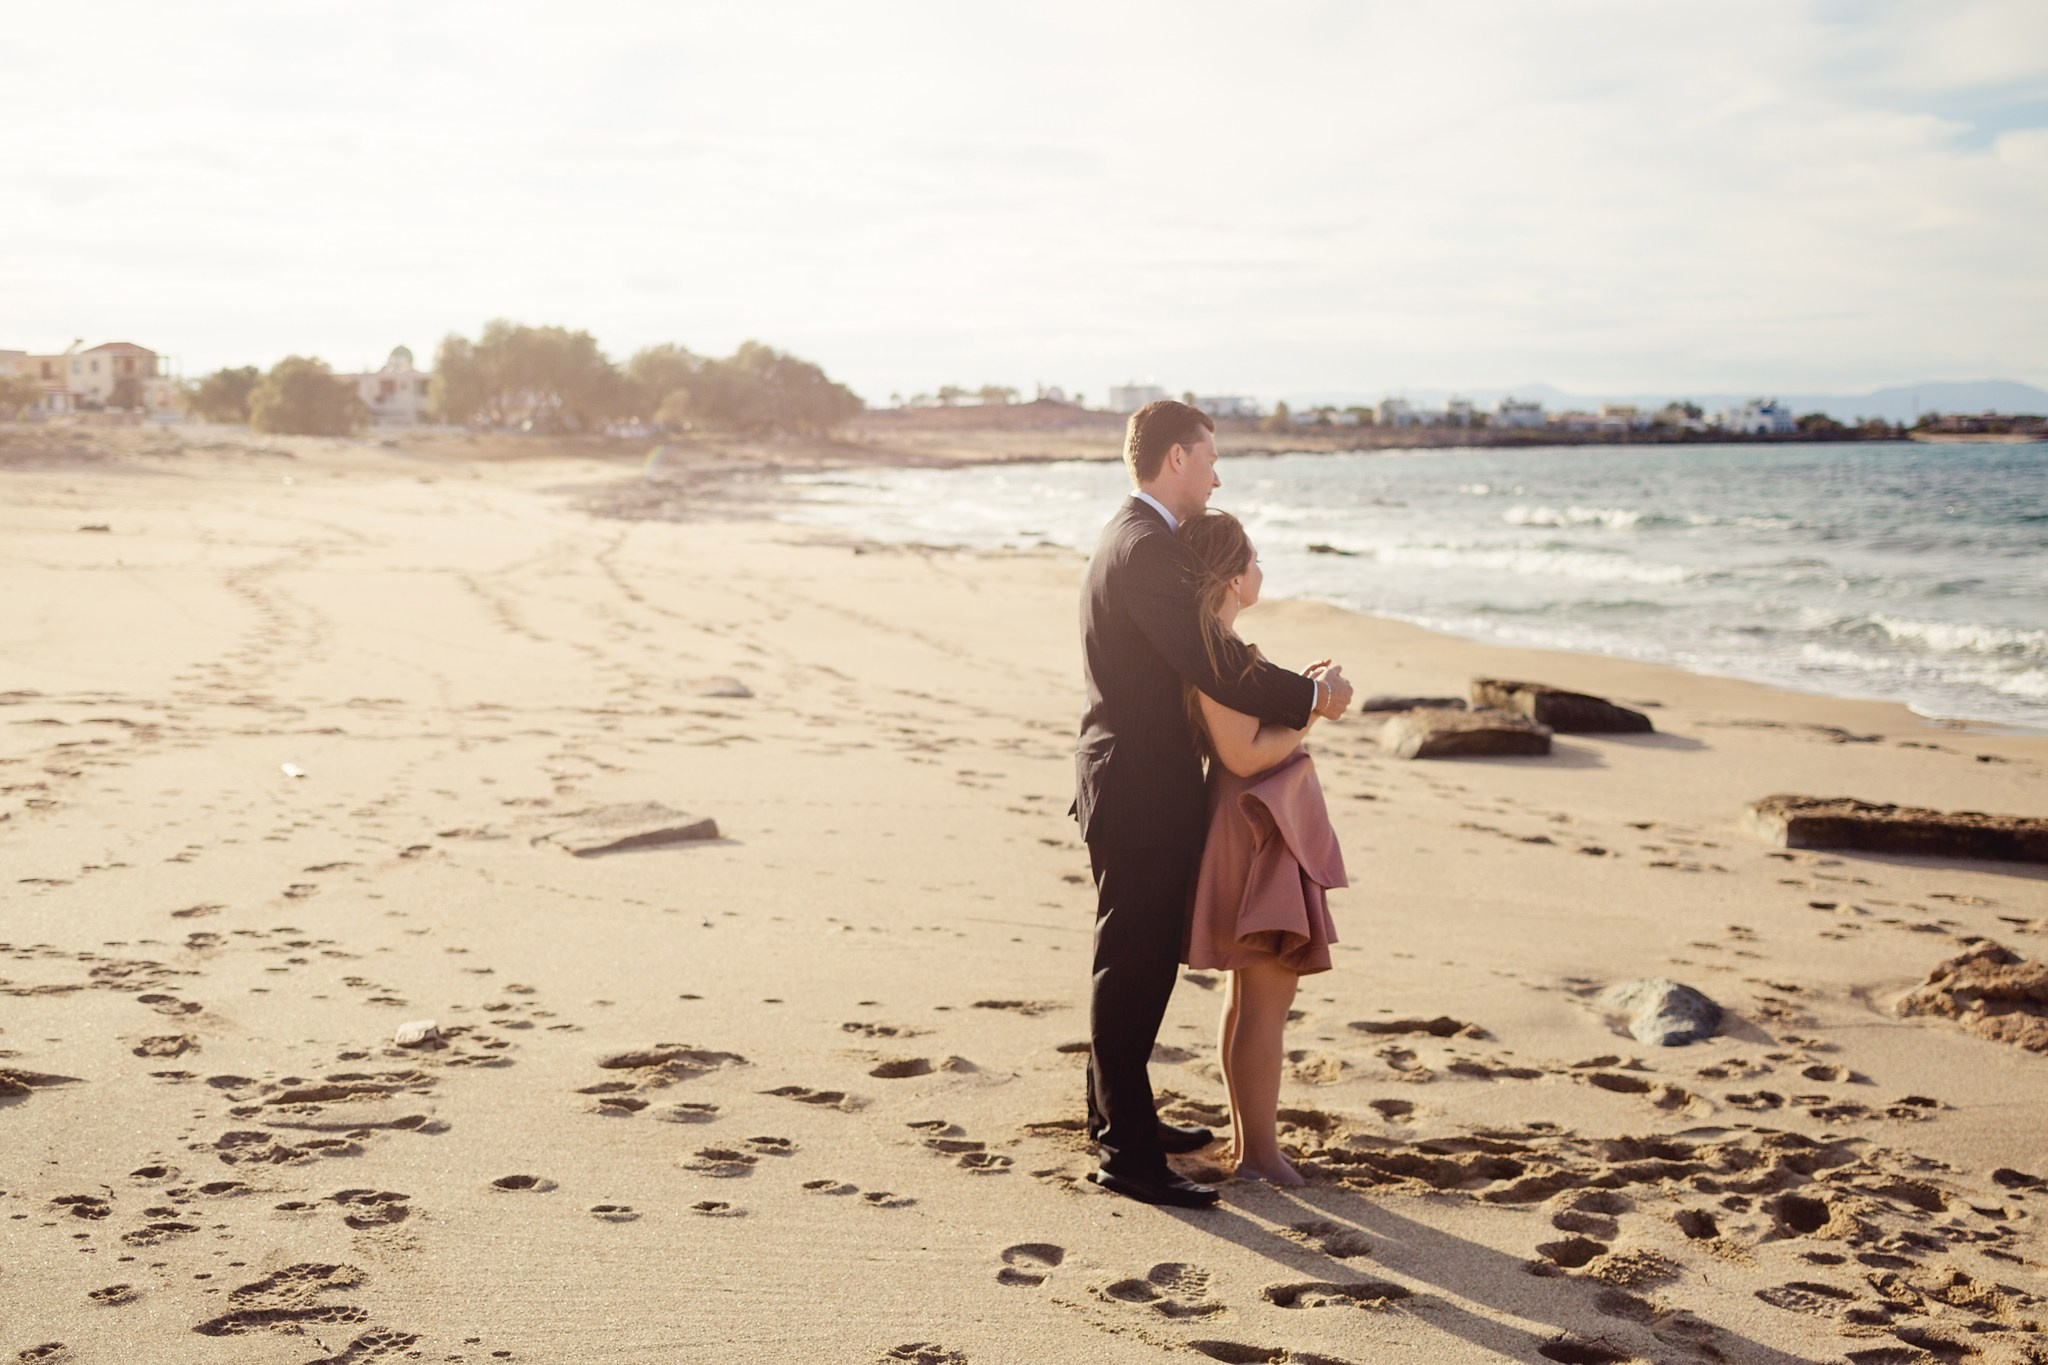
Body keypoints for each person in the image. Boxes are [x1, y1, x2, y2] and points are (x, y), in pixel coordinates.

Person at [1072, 400, 1353, 1208]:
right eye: (1208, 457)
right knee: (1132, 968)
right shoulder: (1143, 546)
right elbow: (1214, 659)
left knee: (1140, 963)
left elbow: (1211, 657)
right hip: (1136, 787)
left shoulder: (1139, 538)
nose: (1217, 473)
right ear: (1173, 460)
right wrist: (1312, 697)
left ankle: (1119, 1117)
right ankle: (1127, 1152)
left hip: (1137, 783)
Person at [1176, 510, 1347, 1187]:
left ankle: (1252, 1143)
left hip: (1254, 823)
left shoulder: (1218, 647)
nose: (1262, 571)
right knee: (1265, 1003)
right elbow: (1243, 753)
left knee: (1249, 996)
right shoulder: (1213, 650)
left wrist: (1306, 695)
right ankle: (1259, 1156)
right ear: (1229, 575)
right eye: (1255, 559)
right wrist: (1315, 712)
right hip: (1254, 828)